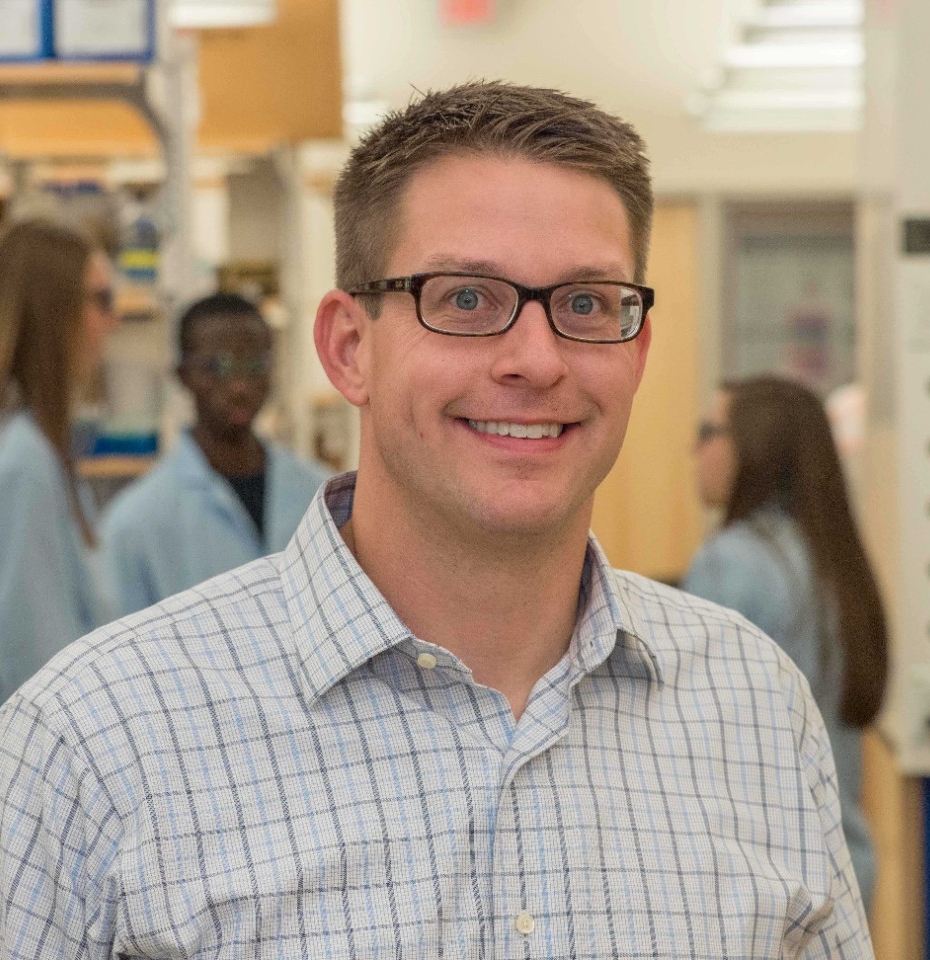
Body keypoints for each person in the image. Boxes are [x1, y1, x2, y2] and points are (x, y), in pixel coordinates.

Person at [0, 82, 873, 959]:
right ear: (350, 348)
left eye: (585, 305)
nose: (536, 360)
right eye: (464, 299)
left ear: (635, 352)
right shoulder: (95, 744)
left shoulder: (756, 705)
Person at [682, 374, 888, 912]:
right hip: (844, 871)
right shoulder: (829, 561)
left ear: (754, 448)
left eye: (709, 431)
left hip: (767, 887)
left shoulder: (733, 562)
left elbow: (698, 749)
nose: (695, 450)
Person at [100, 292, 331, 616]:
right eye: (217, 366)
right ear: (182, 376)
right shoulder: (135, 524)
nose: (239, 385)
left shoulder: (321, 497)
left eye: (254, 364)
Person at [0, 218, 118, 705]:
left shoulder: (38, 448)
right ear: (56, 310)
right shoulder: (25, 460)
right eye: (101, 300)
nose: (112, 321)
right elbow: (37, 665)